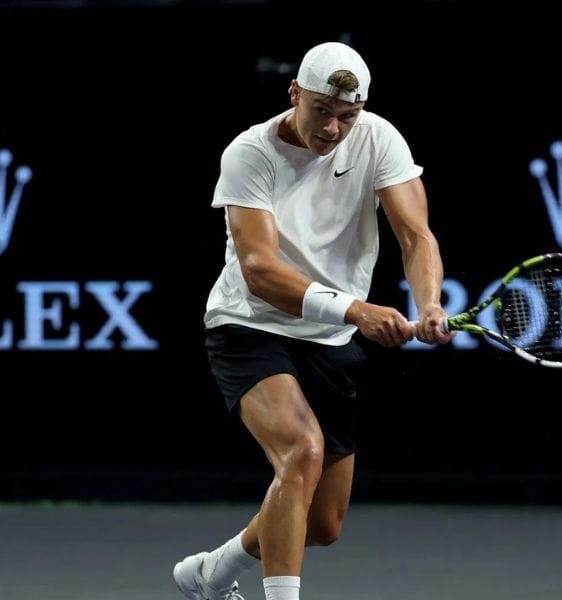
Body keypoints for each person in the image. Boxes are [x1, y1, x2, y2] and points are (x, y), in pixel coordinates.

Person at [172, 41, 454, 600]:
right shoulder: (250, 153)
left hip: (329, 340)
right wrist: (356, 309)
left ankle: (211, 574)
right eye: (322, 110)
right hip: (249, 326)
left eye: (347, 116)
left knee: (321, 523)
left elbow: (416, 236)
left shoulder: (379, 139)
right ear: (295, 93)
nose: (332, 129)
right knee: (302, 450)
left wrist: (429, 304)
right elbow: (260, 271)